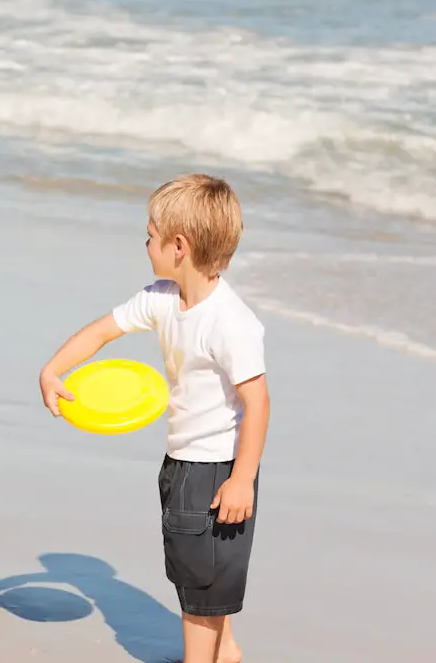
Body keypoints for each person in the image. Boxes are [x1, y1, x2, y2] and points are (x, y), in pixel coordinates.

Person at [38, 174, 270, 663]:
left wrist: (243, 479)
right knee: (203, 572)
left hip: (215, 468)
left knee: (202, 579)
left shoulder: (230, 323)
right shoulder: (163, 298)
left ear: (178, 246)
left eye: (149, 234)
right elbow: (102, 331)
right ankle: (224, 651)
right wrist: (55, 369)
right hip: (181, 461)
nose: (144, 243)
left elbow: (258, 402)